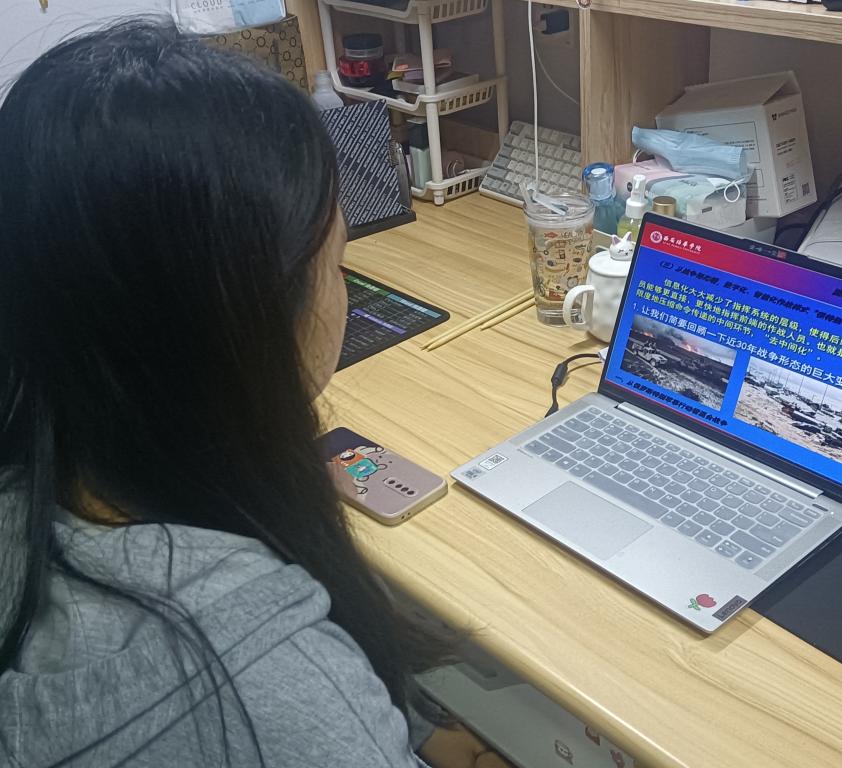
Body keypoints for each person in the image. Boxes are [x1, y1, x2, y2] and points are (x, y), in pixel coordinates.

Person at [0, 21, 508, 768]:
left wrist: (414, 726)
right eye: (339, 264)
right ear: (247, 327)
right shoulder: (281, 695)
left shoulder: (39, 488)